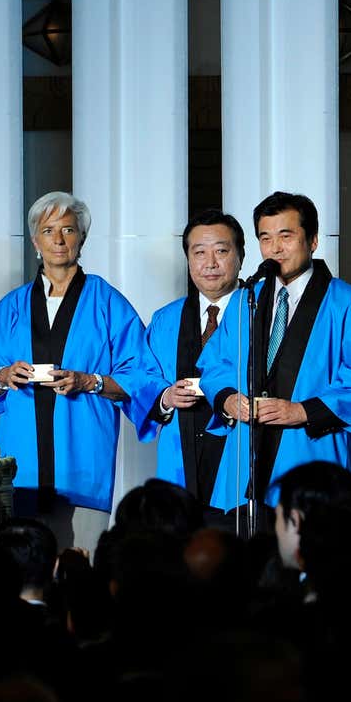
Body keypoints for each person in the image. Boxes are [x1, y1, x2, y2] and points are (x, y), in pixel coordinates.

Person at [0, 191, 165, 548]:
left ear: (82, 238)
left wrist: (90, 381)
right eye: (48, 230)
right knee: (20, 572)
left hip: (84, 462)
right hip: (21, 466)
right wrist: (2, 376)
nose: (58, 240)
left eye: (69, 230)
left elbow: (142, 377)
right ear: (35, 241)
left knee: (79, 572)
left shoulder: (108, 303)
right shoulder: (12, 306)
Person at [198, 192, 351, 517]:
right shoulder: (247, 299)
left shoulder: (346, 303)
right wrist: (228, 399)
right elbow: (216, 365)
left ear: (313, 240)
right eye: (265, 238)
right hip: (245, 454)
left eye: (286, 236)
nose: (275, 248)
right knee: (242, 556)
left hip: (309, 449)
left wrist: (302, 411)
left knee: (311, 549)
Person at [144, 209, 249, 508]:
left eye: (222, 251)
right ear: (188, 259)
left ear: (241, 255)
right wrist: (165, 396)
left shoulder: (260, 314)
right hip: (180, 452)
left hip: (239, 451)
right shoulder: (165, 319)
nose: (210, 263)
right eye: (199, 252)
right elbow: (142, 378)